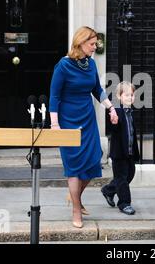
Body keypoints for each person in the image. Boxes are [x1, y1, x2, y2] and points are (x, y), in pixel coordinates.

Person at [49, 26, 118, 229]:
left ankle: (75, 196)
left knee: (92, 162)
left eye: (96, 43)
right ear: (80, 43)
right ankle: (76, 210)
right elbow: (54, 96)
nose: (95, 47)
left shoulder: (90, 64)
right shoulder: (63, 66)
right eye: (92, 44)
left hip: (87, 119)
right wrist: (55, 124)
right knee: (74, 167)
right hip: (68, 120)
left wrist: (111, 108)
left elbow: (97, 90)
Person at [100, 81, 140, 215]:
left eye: (132, 95)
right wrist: (114, 121)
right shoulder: (116, 112)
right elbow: (114, 128)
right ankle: (124, 203)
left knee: (129, 174)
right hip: (119, 153)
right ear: (119, 96)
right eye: (126, 95)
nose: (130, 97)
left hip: (129, 152)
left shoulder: (131, 113)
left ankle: (108, 190)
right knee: (122, 179)